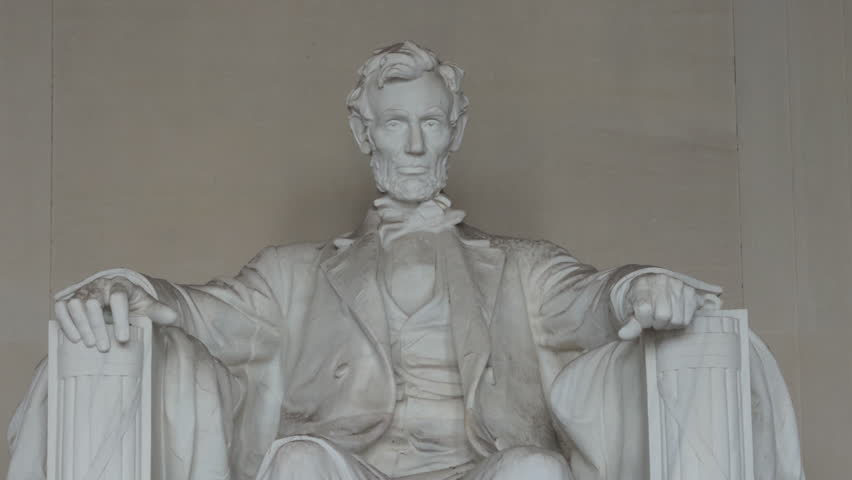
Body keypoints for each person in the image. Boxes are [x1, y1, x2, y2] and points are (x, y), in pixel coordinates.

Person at [7, 41, 804, 480]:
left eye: (432, 123)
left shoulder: (521, 267)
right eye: (396, 124)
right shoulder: (293, 274)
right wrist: (133, 289)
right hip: (348, 467)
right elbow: (201, 311)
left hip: (483, 469)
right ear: (366, 134)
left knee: (536, 474)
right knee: (296, 463)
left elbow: (595, 300)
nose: (416, 144)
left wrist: (641, 287)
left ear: (457, 131)